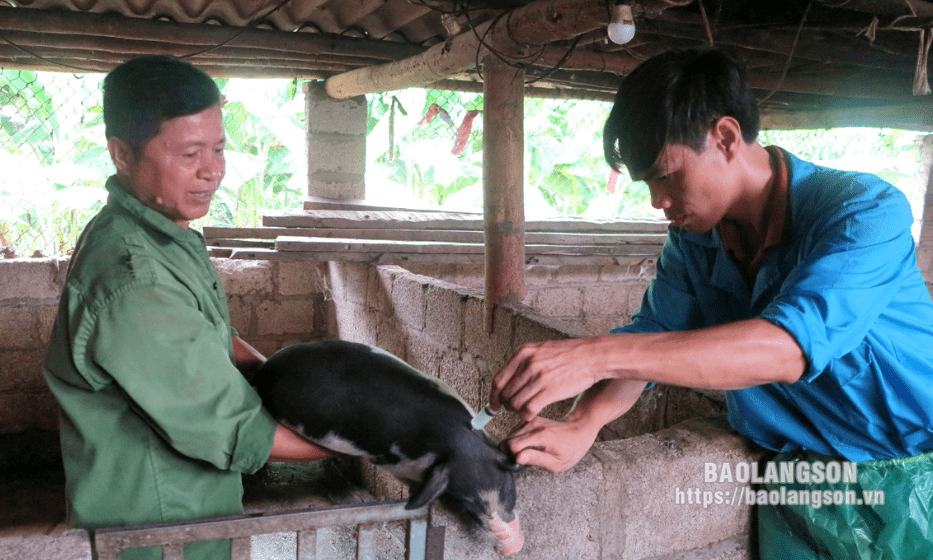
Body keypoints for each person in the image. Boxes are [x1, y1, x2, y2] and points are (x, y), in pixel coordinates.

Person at [490, 47, 933, 557]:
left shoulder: (863, 213)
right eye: (647, 184)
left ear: (724, 137)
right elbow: (652, 334)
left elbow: (787, 349)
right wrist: (584, 422)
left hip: (912, 473)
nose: (657, 201)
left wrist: (592, 355)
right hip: (804, 477)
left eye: (665, 175)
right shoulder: (694, 240)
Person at [43, 55, 333, 560]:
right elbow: (237, 430)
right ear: (122, 154)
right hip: (157, 526)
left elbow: (211, 335)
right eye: (189, 153)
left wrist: (279, 375)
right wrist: (370, 443)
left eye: (219, 148)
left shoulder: (156, 233)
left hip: (189, 509)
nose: (213, 170)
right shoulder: (133, 279)